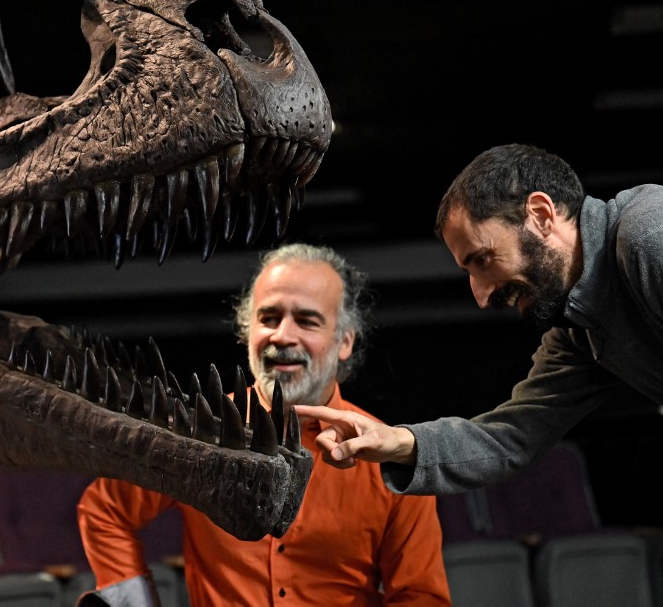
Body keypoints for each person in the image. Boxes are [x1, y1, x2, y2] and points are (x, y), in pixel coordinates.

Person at [76, 243, 452, 606]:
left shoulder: (392, 454)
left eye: (307, 320)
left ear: (345, 342)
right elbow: (105, 509)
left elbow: (419, 595)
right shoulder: (197, 432)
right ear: (248, 330)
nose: (282, 336)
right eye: (268, 318)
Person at [295, 143, 663, 495]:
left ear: (541, 215)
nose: (480, 296)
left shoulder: (651, 235)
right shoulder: (580, 330)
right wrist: (397, 442)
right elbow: (511, 439)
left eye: (482, 259)